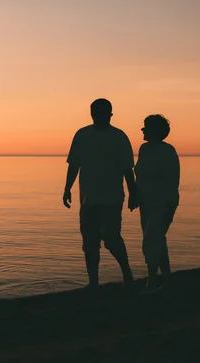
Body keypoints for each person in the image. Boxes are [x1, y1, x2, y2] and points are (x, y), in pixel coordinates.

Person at [63, 98, 138, 291]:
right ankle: (93, 282)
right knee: (90, 242)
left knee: (111, 238)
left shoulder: (119, 137)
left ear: (110, 114)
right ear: (91, 114)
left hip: (112, 198)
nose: (99, 117)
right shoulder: (82, 135)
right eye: (96, 113)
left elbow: (127, 169)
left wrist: (133, 193)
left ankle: (126, 272)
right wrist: (67, 188)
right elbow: (74, 165)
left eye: (103, 113)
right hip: (88, 199)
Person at [134, 114, 180, 293]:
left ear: (155, 130)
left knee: (152, 238)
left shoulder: (168, 151)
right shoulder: (144, 149)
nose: (142, 129)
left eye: (145, 127)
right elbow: (140, 175)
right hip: (146, 202)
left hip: (163, 203)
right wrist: (135, 196)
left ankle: (153, 280)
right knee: (156, 240)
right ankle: (166, 279)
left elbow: (171, 179)